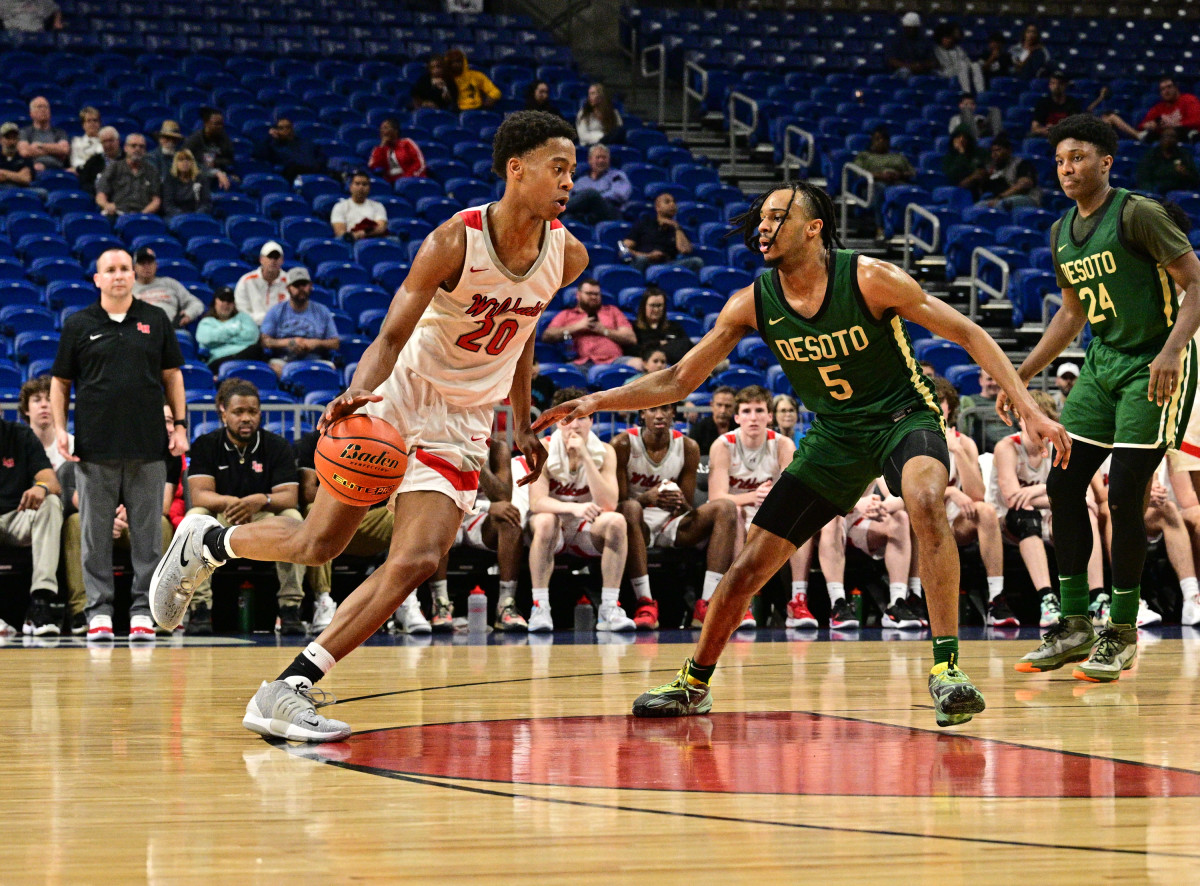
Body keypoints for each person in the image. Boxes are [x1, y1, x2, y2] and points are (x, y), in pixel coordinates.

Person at [533, 179, 1068, 726]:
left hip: (903, 419)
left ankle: (947, 668)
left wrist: (1029, 407)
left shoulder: (869, 278)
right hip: (833, 435)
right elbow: (677, 378)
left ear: (813, 228)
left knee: (926, 500)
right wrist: (599, 398)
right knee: (746, 569)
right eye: (761, 218)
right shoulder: (753, 303)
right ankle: (693, 684)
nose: (763, 226)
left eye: (777, 217)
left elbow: (971, 334)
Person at [151, 110, 586, 742]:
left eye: (572, 170)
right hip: (400, 398)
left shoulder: (567, 254)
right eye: (558, 168)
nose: (569, 181)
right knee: (319, 544)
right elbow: (390, 332)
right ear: (516, 170)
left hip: (461, 424)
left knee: (418, 559)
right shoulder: (454, 241)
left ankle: (289, 688)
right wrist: (360, 389)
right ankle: (209, 543)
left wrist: (519, 420)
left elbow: (521, 339)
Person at [1008, 114, 1200, 682]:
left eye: (1078, 158)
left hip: (1153, 366)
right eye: (1060, 160)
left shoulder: (1140, 213)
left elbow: (1196, 282)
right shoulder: (1061, 230)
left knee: (1125, 496)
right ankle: (1072, 625)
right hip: (1102, 364)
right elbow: (1072, 312)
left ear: (1106, 162)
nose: (1067, 168)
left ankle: (1120, 631)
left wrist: (1170, 351)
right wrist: (1021, 374)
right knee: (1063, 483)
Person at [50, 248, 189, 641]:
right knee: (94, 535)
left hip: (148, 446)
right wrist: (62, 429)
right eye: (110, 270)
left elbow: (173, 376)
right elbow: (60, 383)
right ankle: (99, 612)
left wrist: (179, 426)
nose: (118, 275)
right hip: (95, 447)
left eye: (124, 269)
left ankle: (144, 610)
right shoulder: (78, 324)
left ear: (134, 275)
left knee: (148, 535)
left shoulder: (155, 319)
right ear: (97, 279)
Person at [182, 379, 304, 635]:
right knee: (194, 517)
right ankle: (200, 608)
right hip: (221, 516)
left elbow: (290, 496)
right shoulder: (206, 444)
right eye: (239, 412)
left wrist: (261, 500)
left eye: (253, 412)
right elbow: (200, 495)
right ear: (223, 412)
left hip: (263, 516)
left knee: (293, 518)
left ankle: (290, 608)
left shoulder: (277, 446)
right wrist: (231, 502)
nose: (246, 418)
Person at [614, 402, 739, 630]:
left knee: (726, 508)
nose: (659, 415)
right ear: (643, 413)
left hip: (671, 522)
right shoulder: (623, 443)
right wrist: (647, 498)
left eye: (666, 409)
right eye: (652, 409)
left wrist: (679, 502)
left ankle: (707, 603)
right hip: (635, 523)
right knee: (630, 509)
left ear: (673, 413)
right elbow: (617, 504)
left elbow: (688, 506)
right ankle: (646, 603)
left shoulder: (688, 446)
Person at [990, 390, 1104, 628]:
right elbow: (1013, 499)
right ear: (1020, 419)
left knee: (1086, 515)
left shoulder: (1061, 447)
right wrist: (1049, 492)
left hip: (1049, 517)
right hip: (1008, 524)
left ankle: (1098, 598)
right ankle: (1047, 600)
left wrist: (1034, 491)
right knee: (1027, 515)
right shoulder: (1007, 447)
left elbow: (1086, 498)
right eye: (1031, 419)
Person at [526, 387, 633, 631]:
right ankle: (540, 607)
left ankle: (608, 609)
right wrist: (574, 508)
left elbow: (608, 504)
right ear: (556, 423)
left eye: (581, 418)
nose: (574, 426)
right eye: (567, 419)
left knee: (616, 521)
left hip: (587, 529)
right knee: (544, 520)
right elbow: (537, 502)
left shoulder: (605, 451)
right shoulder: (541, 448)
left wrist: (585, 455)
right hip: (555, 528)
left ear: (591, 421)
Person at [706, 385, 808, 630]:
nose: (753, 417)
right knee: (735, 514)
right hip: (736, 514)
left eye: (759, 410)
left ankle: (798, 600)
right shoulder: (723, 445)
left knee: (801, 518)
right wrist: (752, 496)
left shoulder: (783, 445)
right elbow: (716, 497)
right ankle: (743, 604)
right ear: (737, 417)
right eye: (747, 411)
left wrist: (771, 498)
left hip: (770, 513)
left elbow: (790, 494)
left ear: (769, 416)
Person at [294, 428, 393, 633]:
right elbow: (307, 492)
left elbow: (390, 492)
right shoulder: (314, 441)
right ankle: (322, 601)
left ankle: (402, 600)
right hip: (332, 517)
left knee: (402, 513)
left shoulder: (383, 443)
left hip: (367, 519)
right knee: (314, 513)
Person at [931, 377, 1010, 627]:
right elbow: (910, 494)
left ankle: (996, 598)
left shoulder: (964, 442)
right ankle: (910, 597)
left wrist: (957, 450)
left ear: (950, 407)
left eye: (939, 401)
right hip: (923, 520)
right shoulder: (913, 440)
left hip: (953, 522)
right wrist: (951, 493)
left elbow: (976, 493)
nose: (934, 406)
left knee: (986, 511)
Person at [426, 439, 528, 631]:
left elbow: (504, 497)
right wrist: (490, 506)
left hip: (479, 519)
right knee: (434, 519)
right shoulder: (439, 441)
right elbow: (436, 494)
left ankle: (506, 604)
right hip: (447, 511)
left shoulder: (497, 448)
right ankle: (440, 603)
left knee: (511, 520)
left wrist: (477, 464)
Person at [1092, 456, 1194, 627]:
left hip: (1136, 506)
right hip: (1105, 508)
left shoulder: (1139, 434)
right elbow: (1098, 494)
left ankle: (1192, 597)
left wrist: (1151, 492)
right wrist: (1134, 491)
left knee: (1168, 509)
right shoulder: (1094, 437)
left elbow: (1149, 481)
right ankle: (1131, 601)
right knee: (1116, 510)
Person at [817, 477, 915, 627]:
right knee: (832, 518)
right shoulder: (826, 453)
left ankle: (897, 603)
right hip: (824, 515)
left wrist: (882, 507)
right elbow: (817, 494)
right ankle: (838, 604)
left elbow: (898, 496)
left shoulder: (873, 454)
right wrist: (856, 503)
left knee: (900, 518)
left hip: (859, 518)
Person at [0, 408, 63, 636]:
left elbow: (51, 481)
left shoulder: (20, 435)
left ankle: (40, 601)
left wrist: (41, 487)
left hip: (18, 515)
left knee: (51, 503)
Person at [259, 266, 339, 372]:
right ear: (288, 288)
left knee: (331, 368)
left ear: (310, 286)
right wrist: (289, 342)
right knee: (275, 368)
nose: (301, 289)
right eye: (296, 285)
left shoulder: (322, 311)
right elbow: (264, 341)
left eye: (304, 284)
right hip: (284, 360)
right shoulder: (276, 311)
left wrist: (316, 343)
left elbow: (335, 343)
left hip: (315, 360)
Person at [541, 277, 637, 366]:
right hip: (581, 363)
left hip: (614, 361)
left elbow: (630, 338)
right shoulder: (566, 314)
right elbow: (547, 335)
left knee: (640, 364)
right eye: (589, 294)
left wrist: (604, 330)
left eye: (596, 294)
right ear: (578, 295)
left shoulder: (612, 311)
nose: (594, 297)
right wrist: (578, 326)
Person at [852, 126, 915, 240]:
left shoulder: (898, 157)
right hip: (872, 187)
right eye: (877, 139)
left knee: (911, 192)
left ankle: (913, 229)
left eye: (884, 139)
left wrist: (898, 175)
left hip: (896, 183)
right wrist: (880, 175)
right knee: (881, 190)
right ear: (872, 141)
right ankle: (880, 228)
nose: (881, 142)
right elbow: (858, 172)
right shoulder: (865, 156)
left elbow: (912, 172)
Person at [622, 192, 703, 274]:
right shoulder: (644, 224)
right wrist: (648, 256)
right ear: (658, 208)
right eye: (667, 202)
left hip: (668, 265)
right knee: (641, 260)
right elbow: (622, 249)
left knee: (697, 262)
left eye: (674, 202)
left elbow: (685, 250)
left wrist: (677, 227)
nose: (672, 204)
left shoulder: (678, 229)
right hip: (646, 262)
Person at [1103, 77, 1200, 143]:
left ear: (1176, 88)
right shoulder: (1159, 107)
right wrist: (1148, 125)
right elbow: (1142, 125)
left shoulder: (1188, 99)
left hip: (1182, 137)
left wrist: (1176, 124)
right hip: (1159, 139)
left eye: (1169, 87)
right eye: (1162, 89)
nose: (1166, 91)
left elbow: (1197, 121)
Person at [131, 247, 204, 327]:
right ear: (134, 267)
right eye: (142, 263)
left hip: (170, 329)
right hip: (139, 331)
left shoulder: (170, 283)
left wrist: (189, 314)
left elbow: (196, 303)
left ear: (156, 265)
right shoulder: (128, 288)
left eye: (150, 262)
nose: (147, 266)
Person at [196, 286, 263, 371]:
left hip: (247, 356)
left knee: (256, 349)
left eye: (229, 301)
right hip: (219, 359)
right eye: (222, 300)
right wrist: (235, 330)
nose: (226, 303)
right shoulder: (207, 321)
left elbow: (252, 337)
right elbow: (206, 338)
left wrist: (221, 340)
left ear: (234, 304)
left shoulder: (243, 317)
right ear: (215, 302)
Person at [95, 133, 160, 216]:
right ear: (126, 148)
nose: (137, 149)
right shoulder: (114, 167)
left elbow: (156, 200)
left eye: (141, 146)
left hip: (143, 213)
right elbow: (101, 194)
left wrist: (143, 213)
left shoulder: (152, 170)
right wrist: (106, 205)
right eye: (133, 146)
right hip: (117, 213)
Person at [563, 143, 630, 224]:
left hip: (610, 213)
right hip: (585, 214)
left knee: (591, 194)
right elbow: (570, 198)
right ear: (590, 160)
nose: (601, 160)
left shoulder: (616, 175)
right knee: (567, 219)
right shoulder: (581, 181)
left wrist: (594, 198)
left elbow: (620, 194)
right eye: (598, 157)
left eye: (604, 157)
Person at [977, 132, 1040, 210]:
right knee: (978, 207)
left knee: (1001, 205)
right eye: (993, 151)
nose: (995, 154)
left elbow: (1024, 184)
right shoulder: (992, 168)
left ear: (1009, 150)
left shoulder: (1021, 163)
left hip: (1026, 197)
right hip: (1001, 200)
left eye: (998, 150)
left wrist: (1001, 197)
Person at [20, 375, 70, 469]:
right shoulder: (15, 447)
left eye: (49, 399)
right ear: (26, 409)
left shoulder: (71, 445)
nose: (44, 405)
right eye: (37, 400)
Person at [234, 240, 289, 326]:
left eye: (276, 257)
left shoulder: (290, 282)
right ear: (261, 259)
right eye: (269, 257)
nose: (273, 261)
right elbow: (242, 313)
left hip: (281, 328)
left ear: (282, 260)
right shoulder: (246, 281)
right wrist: (266, 320)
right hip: (252, 328)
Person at [632, 286, 691, 365]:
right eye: (652, 305)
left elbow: (687, 345)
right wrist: (658, 344)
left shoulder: (674, 327)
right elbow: (631, 350)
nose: (656, 310)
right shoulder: (634, 328)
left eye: (659, 306)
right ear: (644, 307)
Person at [1135, 127, 1200, 194]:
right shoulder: (1151, 155)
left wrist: (1185, 173)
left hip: (1178, 191)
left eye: (1172, 137)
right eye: (1166, 136)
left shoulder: (1184, 155)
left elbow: (1195, 179)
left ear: (1177, 140)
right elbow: (1143, 178)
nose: (1169, 140)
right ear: (1161, 139)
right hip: (1156, 190)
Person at [256, 117, 325, 181]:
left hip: (314, 172)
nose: (286, 130)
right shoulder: (273, 145)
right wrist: (269, 137)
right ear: (276, 131)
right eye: (281, 128)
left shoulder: (306, 143)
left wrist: (318, 165)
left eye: (288, 127)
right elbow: (259, 154)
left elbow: (321, 156)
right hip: (292, 175)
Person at [958, 368, 1010, 451]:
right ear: (981, 381)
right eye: (990, 379)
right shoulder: (970, 401)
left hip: (1014, 447)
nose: (994, 383)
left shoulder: (1010, 401)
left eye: (998, 380)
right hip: (986, 450)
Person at [183, 108, 234, 190]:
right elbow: (183, 159)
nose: (220, 127)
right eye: (216, 124)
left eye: (221, 124)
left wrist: (215, 161)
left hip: (218, 174)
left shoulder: (224, 138)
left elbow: (230, 159)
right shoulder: (194, 139)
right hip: (197, 174)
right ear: (206, 124)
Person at [331, 171, 389, 241]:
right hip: (350, 241)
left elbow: (381, 228)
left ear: (369, 188)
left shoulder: (378, 206)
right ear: (351, 187)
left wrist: (361, 233)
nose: (361, 187)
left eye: (364, 184)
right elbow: (340, 232)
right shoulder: (339, 206)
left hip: (373, 240)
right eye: (357, 184)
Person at [17, 96, 69, 171]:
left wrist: (39, 145)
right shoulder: (24, 132)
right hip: (35, 170)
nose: (43, 110)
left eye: (46, 107)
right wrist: (54, 150)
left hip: (57, 169)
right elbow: (25, 152)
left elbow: (64, 150)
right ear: (31, 113)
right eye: (39, 107)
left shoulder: (60, 132)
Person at [932, 23, 984, 95]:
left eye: (949, 38)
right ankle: (966, 92)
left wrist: (973, 64)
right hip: (946, 72)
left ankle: (981, 92)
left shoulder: (957, 48)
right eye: (946, 38)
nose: (948, 40)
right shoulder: (937, 50)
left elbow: (967, 60)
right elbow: (944, 65)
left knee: (975, 65)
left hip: (961, 71)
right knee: (962, 65)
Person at [367, 118, 425, 183]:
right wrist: (381, 147)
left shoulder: (407, 143)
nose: (382, 131)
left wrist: (407, 178)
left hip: (412, 179)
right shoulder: (379, 149)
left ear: (395, 131)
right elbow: (373, 166)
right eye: (381, 129)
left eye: (385, 128)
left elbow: (420, 163)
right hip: (391, 183)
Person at [161, 148, 211, 218]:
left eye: (188, 159)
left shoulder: (200, 178)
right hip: (175, 216)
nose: (185, 162)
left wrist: (196, 215)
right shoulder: (170, 179)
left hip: (197, 215)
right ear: (176, 163)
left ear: (192, 163)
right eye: (181, 160)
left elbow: (206, 203)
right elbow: (168, 205)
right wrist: (182, 216)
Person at [884, 12, 936, 78]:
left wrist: (922, 66)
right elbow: (891, 60)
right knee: (904, 72)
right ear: (904, 27)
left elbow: (932, 61)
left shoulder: (925, 41)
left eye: (914, 28)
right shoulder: (895, 40)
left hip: (922, 70)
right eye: (908, 28)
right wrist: (909, 67)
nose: (911, 30)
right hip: (902, 70)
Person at [1030, 73, 1082, 137]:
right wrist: (1046, 130)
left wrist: (1057, 130)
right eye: (1053, 83)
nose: (1057, 86)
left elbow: (1077, 126)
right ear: (1049, 85)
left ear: (1065, 85)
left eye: (1060, 83)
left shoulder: (1073, 103)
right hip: (1047, 137)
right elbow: (1035, 128)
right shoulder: (1043, 102)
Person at [942, 127, 988, 198]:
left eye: (964, 137)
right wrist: (962, 154)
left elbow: (982, 173)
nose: (961, 140)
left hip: (975, 191)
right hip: (954, 192)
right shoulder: (948, 158)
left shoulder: (976, 155)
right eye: (958, 137)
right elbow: (952, 176)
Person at [688, 384, 735, 454]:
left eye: (728, 406)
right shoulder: (698, 430)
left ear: (734, 407)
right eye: (719, 405)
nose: (723, 410)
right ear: (712, 405)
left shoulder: (740, 429)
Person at [78, 125, 119, 195]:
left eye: (111, 140)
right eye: (104, 141)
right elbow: (84, 183)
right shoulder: (93, 161)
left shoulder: (127, 159)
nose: (108, 145)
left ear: (118, 141)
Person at [0, 121, 33, 189]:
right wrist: (18, 176)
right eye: (8, 138)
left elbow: (25, 179)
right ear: (1, 140)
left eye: (14, 138)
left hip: (22, 190)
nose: (12, 142)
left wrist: (4, 173)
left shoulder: (24, 158)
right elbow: (21, 177)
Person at [69, 106, 102, 170]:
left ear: (99, 123)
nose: (92, 123)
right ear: (83, 125)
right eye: (89, 121)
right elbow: (75, 162)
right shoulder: (76, 142)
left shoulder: (105, 142)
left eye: (95, 120)